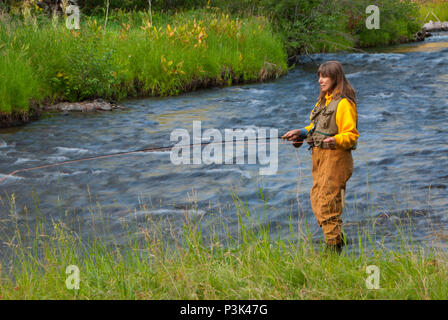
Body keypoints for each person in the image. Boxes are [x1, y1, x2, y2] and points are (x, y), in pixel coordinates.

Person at [282, 60, 359, 254]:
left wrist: (337, 140)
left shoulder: (343, 104)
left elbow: (351, 135)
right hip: (319, 157)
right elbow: (314, 128)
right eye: (319, 76)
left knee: (327, 203)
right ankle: (338, 240)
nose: (320, 80)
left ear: (335, 78)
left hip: (336, 159)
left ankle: (333, 251)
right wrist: (300, 132)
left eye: (324, 76)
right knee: (317, 199)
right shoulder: (323, 101)